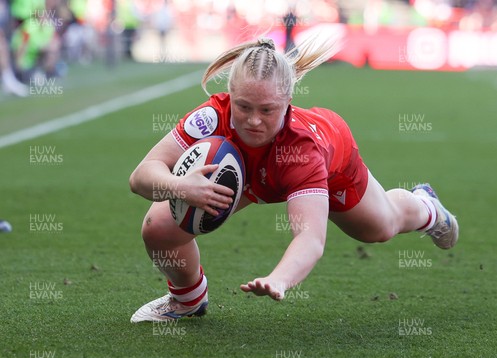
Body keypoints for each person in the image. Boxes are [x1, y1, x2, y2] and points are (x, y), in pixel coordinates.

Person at [129, 37, 459, 323]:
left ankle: (425, 207)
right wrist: (181, 185)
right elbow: (142, 174)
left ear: (288, 101)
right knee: (158, 227)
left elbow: (310, 238)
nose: (253, 120)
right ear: (230, 94)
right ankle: (188, 301)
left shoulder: (303, 150)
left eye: (268, 110)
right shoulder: (212, 117)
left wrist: (279, 279)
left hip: (332, 163)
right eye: (243, 106)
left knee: (380, 228)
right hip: (249, 176)